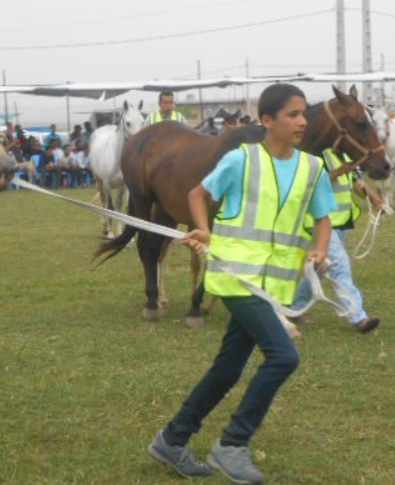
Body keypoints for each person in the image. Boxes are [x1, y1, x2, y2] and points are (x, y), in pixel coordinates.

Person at [147, 83, 336, 485]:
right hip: (236, 278)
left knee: (228, 368)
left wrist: (320, 250)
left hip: (273, 287)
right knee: (284, 357)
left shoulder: (313, 168)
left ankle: (173, 439)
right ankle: (233, 444)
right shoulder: (241, 160)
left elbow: (324, 217)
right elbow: (198, 193)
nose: (303, 121)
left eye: (304, 113)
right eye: (292, 114)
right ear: (267, 121)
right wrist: (202, 229)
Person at [290, 149, 384, 333]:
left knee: (319, 268)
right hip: (321, 222)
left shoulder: (345, 155)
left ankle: (294, 308)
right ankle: (359, 317)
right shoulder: (316, 156)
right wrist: (338, 172)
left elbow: (358, 183)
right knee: (340, 266)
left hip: (340, 222)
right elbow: (312, 184)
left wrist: (377, 201)